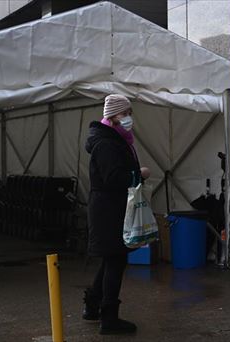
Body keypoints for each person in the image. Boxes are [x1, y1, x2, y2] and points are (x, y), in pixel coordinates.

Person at [83, 94, 150, 335]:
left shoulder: (112, 139)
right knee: (116, 260)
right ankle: (109, 317)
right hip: (109, 209)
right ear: (112, 116)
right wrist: (138, 175)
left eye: (130, 113)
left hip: (109, 208)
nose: (129, 118)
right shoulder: (107, 143)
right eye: (125, 114)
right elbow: (113, 178)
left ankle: (92, 305)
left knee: (110, 258)